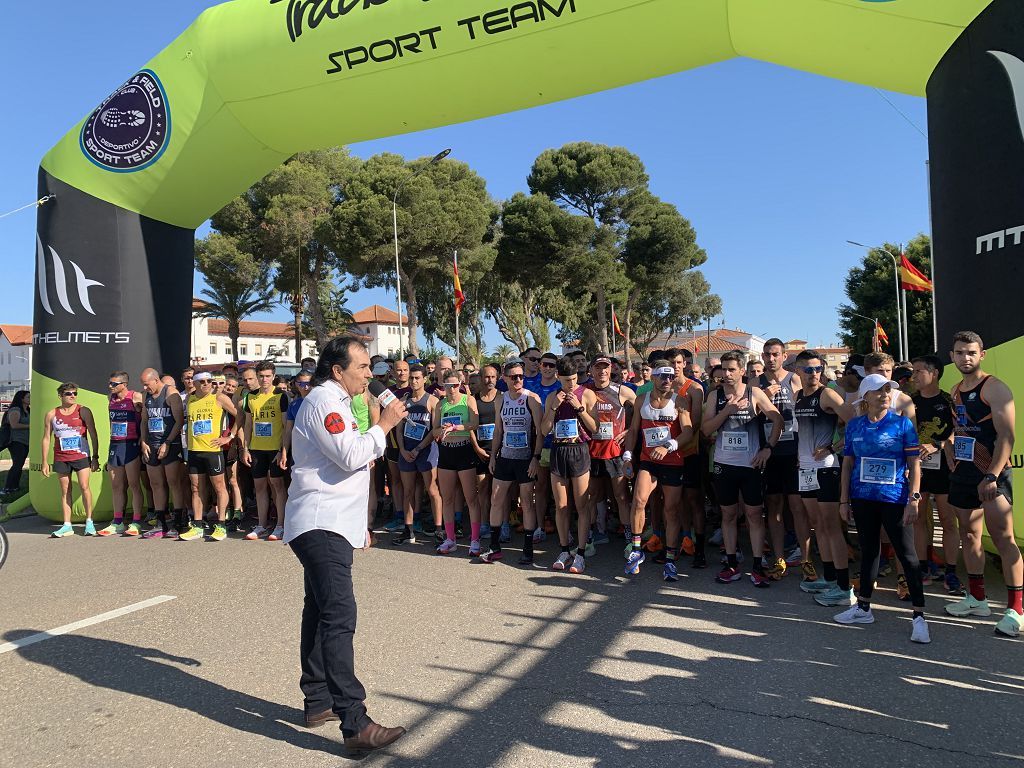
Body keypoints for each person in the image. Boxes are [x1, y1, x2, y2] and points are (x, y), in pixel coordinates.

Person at [283, 336, 408, 753]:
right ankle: (354, 723)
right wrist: (385, 425)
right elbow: (350, 456)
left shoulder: (335, 400)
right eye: (362, 367)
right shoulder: (324, 401)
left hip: (332, 521)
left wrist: (358, 524)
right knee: (339, 614)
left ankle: (318, 701)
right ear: (338, 370)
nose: (370, 374)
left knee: (319, 610)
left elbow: (344, 464)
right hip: (320, 522)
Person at [837, 373, 930, 643]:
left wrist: (914, 498)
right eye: (879, 391)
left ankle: (919, 616)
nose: (885, 395)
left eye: (888, 390)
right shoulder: (854, 426)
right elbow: (847, 465)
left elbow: (914, 464)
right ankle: (864, 606)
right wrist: (844, 500)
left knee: (907, 555)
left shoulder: (902, 425)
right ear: (866, 396)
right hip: (863, 497)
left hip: (895, 497)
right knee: (869, 551)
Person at [943, 331, 1022, 637]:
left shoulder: (995, 388)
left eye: (971, 352)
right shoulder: (955, 389)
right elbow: (959, 428)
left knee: (1004, 539)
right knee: (970, 535)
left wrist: (992, 475)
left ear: (982, 354)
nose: (966, 357)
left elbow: (1006, 436)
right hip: (964, 472)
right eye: (960, 352)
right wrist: (950, 450)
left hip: (992, 473)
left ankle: (1017, 609)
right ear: (952, 356)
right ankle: (977, 598)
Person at [701, 351, 782, 587]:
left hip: (750, 465)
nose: (726, 374)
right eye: (724, 369)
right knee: (727, 514)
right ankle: (732, 563)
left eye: (731, 369)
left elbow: (777, 420)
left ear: (742, 371)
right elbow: (706, 430)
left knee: (754, 515)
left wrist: (768, 448)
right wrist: (727, 411)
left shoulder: (754, 392)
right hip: (724, 465)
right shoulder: (716, 396)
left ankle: (757, 565)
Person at [789, 351, 856, 605]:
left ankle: (843, 587)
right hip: (805, 469)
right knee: (818, 525)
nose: (814, 374)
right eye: (808, 370)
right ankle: (829, 578)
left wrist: (832, 448)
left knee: (831, 527)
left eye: (818, 369)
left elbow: (855, 422)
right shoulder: (798, 396)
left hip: (826, 468)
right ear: (798, 370)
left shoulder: (827, 394)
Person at [622, 361, 696, 580]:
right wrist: (628, 456)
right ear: (652, 377)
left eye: (670, 377)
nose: (666, 381)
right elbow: (634, 430)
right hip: (648, 461)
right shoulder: (641, 399)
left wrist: (669, 446)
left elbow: (689, 432)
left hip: (672, 462)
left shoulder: (679, 401)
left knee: (671, 510)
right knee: (639, 500)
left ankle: (671, 561)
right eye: (662, 376)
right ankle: (636, 551)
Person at [480, 360, 544, 564]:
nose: (518, 380)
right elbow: (498, 431)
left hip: (525, 459)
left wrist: (535, 457)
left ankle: (527, 548)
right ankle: (494, 547)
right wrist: (493, 456)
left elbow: (540, 433)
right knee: (496, 498)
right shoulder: (501, 400)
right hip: (505, 458)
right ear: (505, 378)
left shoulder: (531, 399)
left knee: (526, 502)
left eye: (521, 376)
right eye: (514, 376)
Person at [540, 357, 598, 573]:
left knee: (582, 505)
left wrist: (580, 408)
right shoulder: (553, 397)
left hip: (579, 450)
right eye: (566, 381)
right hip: (558, 451)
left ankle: (581, 553)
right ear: (558, 377)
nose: (571, 384)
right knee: (561, 505)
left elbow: (594, 428)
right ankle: (564, 549)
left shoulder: (587, 393)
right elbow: (544, 429)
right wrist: (554, 408)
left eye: (573, 379)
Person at [910, 354, 962, 595]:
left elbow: (959, 431)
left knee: (948, 521)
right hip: (918, 469)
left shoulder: (948, 400)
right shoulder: (910, 401)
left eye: (919, 371)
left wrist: (938, 445)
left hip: (943, 466)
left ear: (935, 373)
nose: (914, 376)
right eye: (913, 371)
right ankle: (923, 566)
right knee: (919, 520)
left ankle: (951, 571)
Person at [758, 338, 803, 580]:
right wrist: (763, 396)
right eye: (767, 354)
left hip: (793, 450)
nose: (771, 358)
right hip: (768, 451)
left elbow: (804, 415)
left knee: (797, 506)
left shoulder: (794, 379)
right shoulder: (756, 383)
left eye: (775, 354)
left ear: (784, 356)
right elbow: (751, 416)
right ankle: (778, 557)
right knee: (773, 507)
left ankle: (803, 555)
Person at [180, 372, 238, 541]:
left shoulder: (219, 398)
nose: (206, 384)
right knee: (196, 488)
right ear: (195, 383)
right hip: (194, 450)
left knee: (219, 487)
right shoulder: (190, 399)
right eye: (202, 382)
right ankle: (197, 525)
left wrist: (229, 437)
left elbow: (240, 415)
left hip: (213, 451)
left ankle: (221, 525)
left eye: (209, 381)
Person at [587, 355, 635, 552]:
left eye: (605, 368)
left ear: (611, 369)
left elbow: (639, 407)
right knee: (592, 496)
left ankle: (630, 540)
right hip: (591, 452)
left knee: (621, 496)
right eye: (598, 368)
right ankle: (591, 537)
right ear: (591, 370)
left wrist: (630, 430)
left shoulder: (621, 390)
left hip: (615, 452)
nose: (602, 372)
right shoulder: (585, 391)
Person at [40, 382, 100, 537]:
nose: (72, 396)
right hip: (61, 457)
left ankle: (89, 522)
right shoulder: (52, 414)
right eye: (69, 393)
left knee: (84, 486)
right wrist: (45, 461)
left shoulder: (83, 411)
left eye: (75, 393)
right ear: (60, 396)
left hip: (81, 456)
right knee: (65, 491)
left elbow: (93, 434)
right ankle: (67, 525)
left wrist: (95, 456)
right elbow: (46, 438)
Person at [432, 372, 482, 555]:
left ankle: (475, 540)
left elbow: (474, 423)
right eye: (448, 385)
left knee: (471, 498)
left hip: (464, 450)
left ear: (460, 384)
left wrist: (456, 427)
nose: (451, 389)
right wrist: (441, 431)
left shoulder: (468, 400)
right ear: (443, 385)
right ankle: (450, 539)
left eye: (455, 385)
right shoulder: (440, 404)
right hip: (446, 452)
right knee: (448, 498)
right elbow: (434, 430)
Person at [393, 365, 443, 546]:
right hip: (407, 451)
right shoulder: (403, 401)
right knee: (408, 491)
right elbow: (398, 429)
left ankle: (439, 529)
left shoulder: (432, 401)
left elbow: (435, 430)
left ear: (424, 379)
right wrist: (403, 450)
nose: (413, 381)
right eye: (411, 378)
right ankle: (408, 530)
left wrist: (418, 448)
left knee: (432, 489)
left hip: (426, 451)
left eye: (417, 378)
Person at [242, 361, 290, 541]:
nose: (264, 379)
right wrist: (245, 448)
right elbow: (248, 424)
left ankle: (280, 525)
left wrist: (282, 450)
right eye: (261, 376)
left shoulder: (281, 395)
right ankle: (262, 525)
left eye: (268, 376)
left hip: (274, 449)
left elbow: (286, 426)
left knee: (277, 485)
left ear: (274, 376)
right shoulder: (250, 396)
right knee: (259, 487)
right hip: (256, 448)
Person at [139, 368, 185, 539]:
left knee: (173, 482)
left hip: (170, 443)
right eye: (143, 385)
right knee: (156, 484)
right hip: (152, 444)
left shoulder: (170, 393)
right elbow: (144, 420)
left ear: (156, 380)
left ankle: (179, 522)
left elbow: (179, 421)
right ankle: (161, 523)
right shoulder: (146, 396)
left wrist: (167, 443)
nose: (145, 388)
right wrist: (143, 442)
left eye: (147, 384)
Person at [98, 371, 145, 536]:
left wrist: (143, 438)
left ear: (124, 384)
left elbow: (145, 417)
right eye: (109, 383)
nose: (110, 386)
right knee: (117, 485)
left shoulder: (135, 397)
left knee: (133, 485)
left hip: (131, 444)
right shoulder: (109, 398)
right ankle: (117, 521)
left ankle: (137, 521)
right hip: (115, 445)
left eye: (114, 384)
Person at [526, 352, 561, 541]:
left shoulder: (561, 387)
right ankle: (539, 526)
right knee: (540, 487)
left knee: (560, 490)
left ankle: (563, 527)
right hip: (538, 444)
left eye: (551, 365)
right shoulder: (530, 387)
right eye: (544, 364)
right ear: (539, 366)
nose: (547, 368)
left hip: (559, 445)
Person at [473, 364, 500, 542]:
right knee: (482, 488)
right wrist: (477, 448)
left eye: (492, 377)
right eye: (486, 377)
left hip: (499, 451)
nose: (489, 380)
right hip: (480, 450)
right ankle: (484, 523)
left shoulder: (503, 397)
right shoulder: (473, 399)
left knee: (499, 491)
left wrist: (499, 449)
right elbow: (470, 427)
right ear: (481, 378)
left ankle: (501, 525)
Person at [1, 390, 30, 500]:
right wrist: (30, 426)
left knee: (20, 464)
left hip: (25, 441)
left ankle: (15, 487)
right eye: (28, 397)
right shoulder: (15, 410)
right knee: (17, 464)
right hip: (16, 441)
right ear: (21, 399)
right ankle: (7, 488)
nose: (30, 399)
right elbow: (14, 425)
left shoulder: (27, 410)